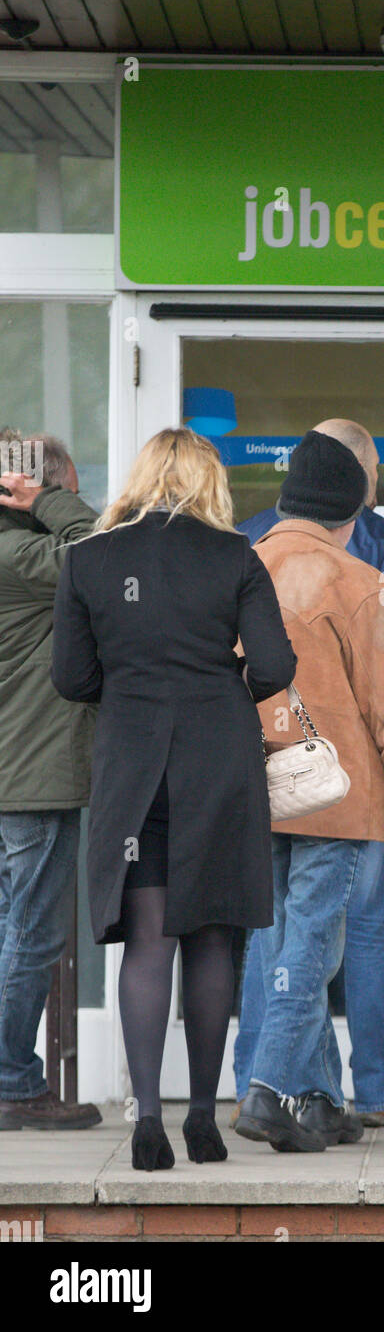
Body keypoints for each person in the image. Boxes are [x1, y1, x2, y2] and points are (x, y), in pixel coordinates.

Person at [51, 429, 296, 1169]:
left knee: (149, 939)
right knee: (214, 936)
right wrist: (224, 688)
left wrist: (129, 689)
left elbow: (70, 678)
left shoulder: (87, 559)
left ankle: (148, 1119)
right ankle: (203, 1118)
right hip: (218, 761)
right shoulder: (236, 557)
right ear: (207, 482)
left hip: (133, 764)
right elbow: (276, 665)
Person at [235, 418, 384, 1120]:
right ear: (355, 511)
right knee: (316, 942)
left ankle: (317, 1098)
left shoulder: (234, 567)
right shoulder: (363, 582)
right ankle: (270, 1089)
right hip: (336, 796)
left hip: (245, 788)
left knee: (271, 936)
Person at [0, 430, 102, 1132]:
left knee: (14, 930)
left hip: (21, 770)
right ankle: (12, 1081)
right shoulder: (22, 553)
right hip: (31, 777)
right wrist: (54, 505)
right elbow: (99, 552)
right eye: (60, 483)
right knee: (32, 935)